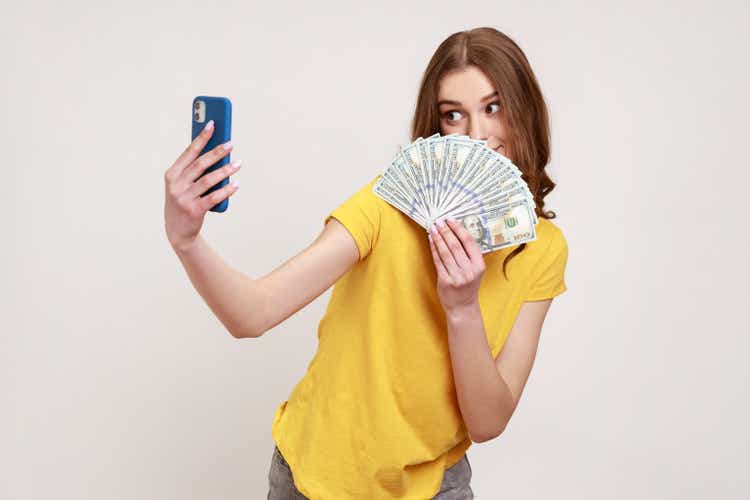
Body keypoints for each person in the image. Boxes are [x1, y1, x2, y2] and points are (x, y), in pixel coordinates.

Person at [164, 26, 568, 500]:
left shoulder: (543, 248)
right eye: (454, 115)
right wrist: (186, 240)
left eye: (493, 107)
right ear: (436, 129)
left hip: (433, 487)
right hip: (316, 479)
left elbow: (488, 421)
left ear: (525, 108)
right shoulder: (389, 202)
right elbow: (252, 313)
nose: (477, 135)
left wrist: (462, 310)